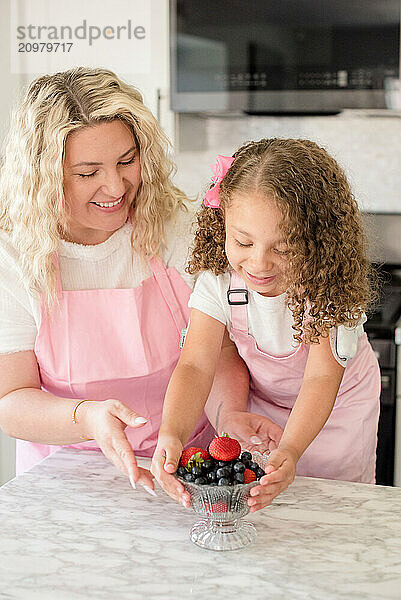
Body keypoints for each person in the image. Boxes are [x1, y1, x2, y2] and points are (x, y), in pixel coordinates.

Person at [0, 67, 276, 493]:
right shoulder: (13, 255)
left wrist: (229, 416)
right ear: (42, 176)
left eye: (127, 161)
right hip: (65, 478)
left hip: (186, 468)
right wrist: (87, 418)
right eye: (88, 172)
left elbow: (216, 352)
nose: (115, 186)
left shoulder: (176, 228)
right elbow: (10, 398)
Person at [152, 138, 381, 512]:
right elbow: (195, 364)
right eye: (243, 242)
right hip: (262, 410)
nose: (259, 263)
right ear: (222, 222)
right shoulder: (220, 280)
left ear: (319, 241)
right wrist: (171, 432)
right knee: (267, 507)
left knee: (330, 510)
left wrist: (291, 449)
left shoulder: (329, 283)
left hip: (335, 410)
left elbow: (321, 378)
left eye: (284, 249)